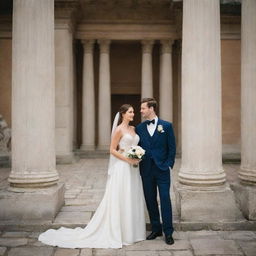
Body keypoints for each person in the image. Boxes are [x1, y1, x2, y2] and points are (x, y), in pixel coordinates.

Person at [38, 104, 146, 248]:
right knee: (122, 196)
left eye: (133, 112)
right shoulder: (119, 130)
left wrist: (138, 156)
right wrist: (128, 159)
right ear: (123, 114)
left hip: (133, 169)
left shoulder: (133, 129)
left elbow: (133, 145)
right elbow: (112, 150)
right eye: (130, 112)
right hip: (123, 167)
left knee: (131, 196)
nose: (133, 114)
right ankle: (121, 233)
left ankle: (132, 232)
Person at [136, 98, 176, 245]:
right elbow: (137, 146)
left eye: (143, 108)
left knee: (165, 199)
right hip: (146, 169)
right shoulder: (139, 128)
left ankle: (168, 232)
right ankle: (156, 228)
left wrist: (168, 164)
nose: (141, 111)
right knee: (150, 199)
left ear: (151, 108)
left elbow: (172, 147)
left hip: (162, 169)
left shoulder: (166, 126)